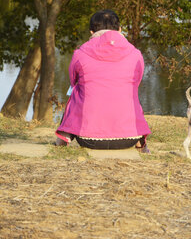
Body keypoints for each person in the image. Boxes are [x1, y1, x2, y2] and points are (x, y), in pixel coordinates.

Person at [55, 9, 151, 151]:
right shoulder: (135, 54)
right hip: (129, 138)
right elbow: (137, 82)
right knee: (130, 92)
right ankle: (140, 143)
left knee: (76, 91)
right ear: (119, 29)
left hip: (88, 139)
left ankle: (61, 141)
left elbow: (72, 81)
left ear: (92, 32)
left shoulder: (80, 53)